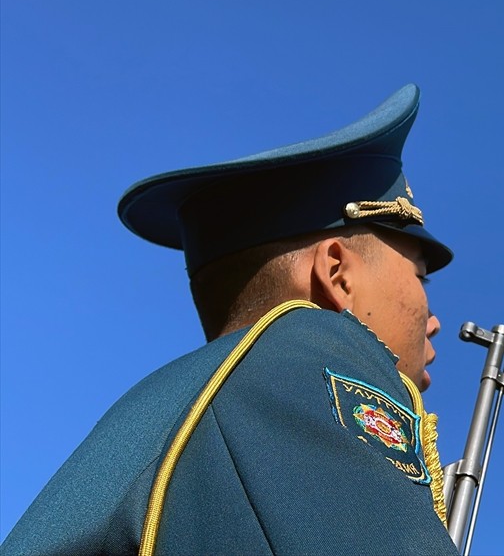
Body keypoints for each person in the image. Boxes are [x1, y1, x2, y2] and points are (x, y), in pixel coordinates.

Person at [1, 85, 461, 555]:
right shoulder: (309, 356)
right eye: (421, 277)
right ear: (337, 274)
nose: (434, 318)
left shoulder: (160, 414)